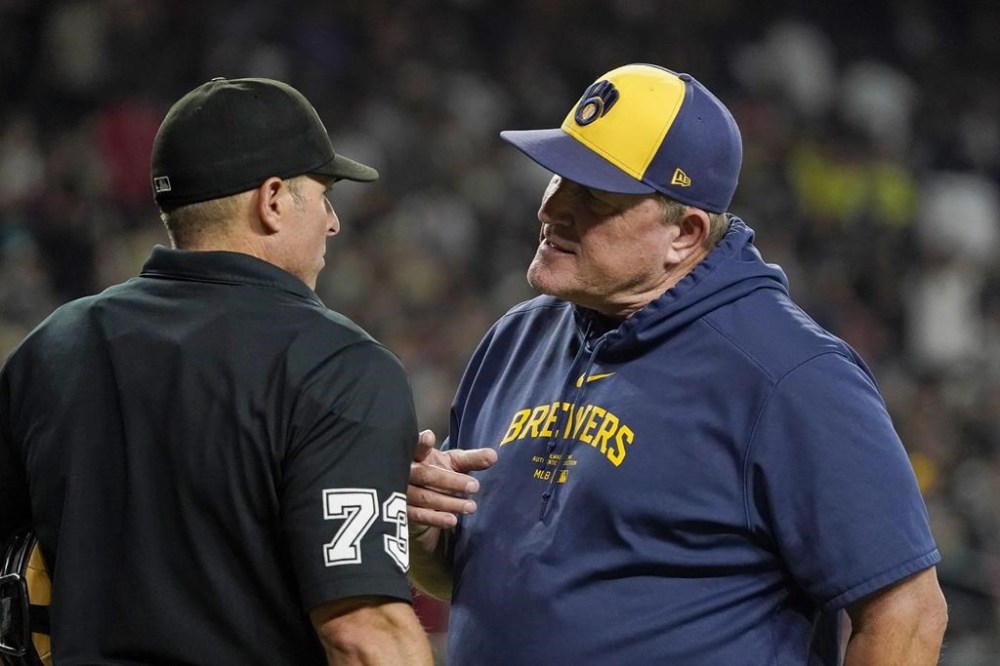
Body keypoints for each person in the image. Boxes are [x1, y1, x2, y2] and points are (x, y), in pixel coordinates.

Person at [406, 63, 948, 664]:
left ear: (685, 236)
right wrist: (426, 532)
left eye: (594, 197)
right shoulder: (515, 339)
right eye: (558, 179)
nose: (554, 209)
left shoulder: (789, 374)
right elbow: (471, 582)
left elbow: (908, 613)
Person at [0, 77, 433, 665]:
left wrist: (357, 476)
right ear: (273, 199)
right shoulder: (340, 366)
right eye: (324, 193)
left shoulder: (54, 345)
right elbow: (363, 635)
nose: (333, 222)